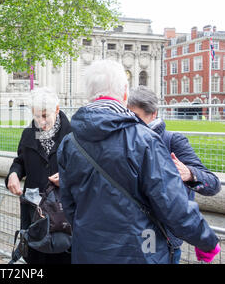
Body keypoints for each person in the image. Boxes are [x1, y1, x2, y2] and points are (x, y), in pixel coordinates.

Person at [57, 59, 221, 264]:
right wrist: (206, 240)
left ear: (89, 94)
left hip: (89, 250)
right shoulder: (144, 139)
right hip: (142, 251)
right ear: (125, 93)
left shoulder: (68, 142)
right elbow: (173, 203)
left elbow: (70, 204)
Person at [127, 85, 222, 263]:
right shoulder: (125, 141)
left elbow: (213, 184)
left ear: (153, 114)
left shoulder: (172, 141)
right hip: (132, 235)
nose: (132, 124)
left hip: (164, 238)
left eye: (137, 118)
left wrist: (190, 173)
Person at [6, 87, 71, 264]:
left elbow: (85, 172)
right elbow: (20, 161)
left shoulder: (73, 136)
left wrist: (66, 178)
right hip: (34, 211)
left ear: (57, 109)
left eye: (44, 115)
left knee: (62, 258)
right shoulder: (29, 133)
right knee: (34, 258)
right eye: (36, 116)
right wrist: (13, 173)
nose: (40, 121)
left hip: (62, 215)